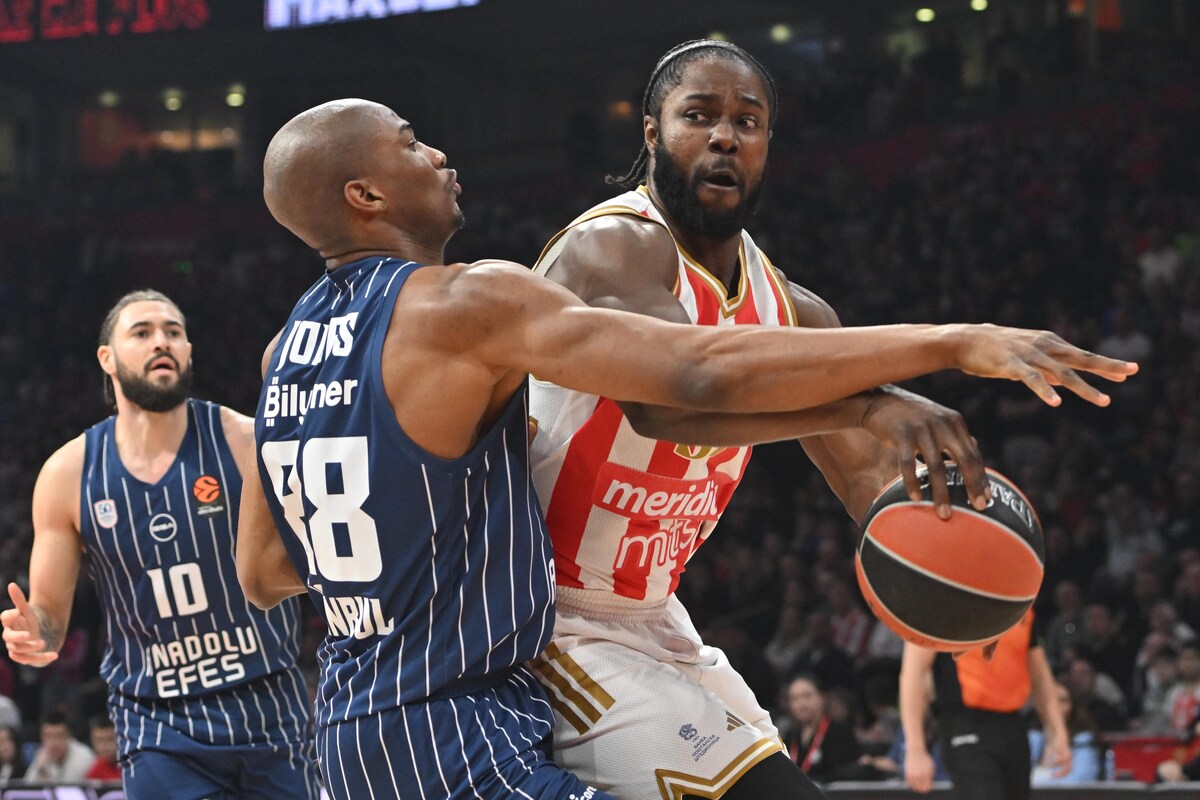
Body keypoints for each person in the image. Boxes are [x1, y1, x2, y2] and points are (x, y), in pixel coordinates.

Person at [237, 97, 1132, 800]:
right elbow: (690, 378)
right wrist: (948, 342)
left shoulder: (284, 355)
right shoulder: (469, 302)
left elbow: (267, 571)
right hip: (462, 715)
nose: (438, 152)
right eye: (409, 142)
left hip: (350, 721)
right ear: (365, 195)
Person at [525, 38, 1130, 799]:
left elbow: (869, 481)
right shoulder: (610, 246)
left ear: (768, 146)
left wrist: (962, 541)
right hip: (549, 619)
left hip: (654, 618)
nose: (725, 135)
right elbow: (671, 400)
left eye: (748, 121)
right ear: (652, 133)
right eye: (699, 115)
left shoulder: (795, 309)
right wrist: (938, 352)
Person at [1, 290, 318, 799]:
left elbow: (311, 561)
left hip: (268, 708)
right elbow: (50, 618)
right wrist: (35, 634)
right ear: (107, 357)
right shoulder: (68, 474)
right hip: (158, 723)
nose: (161, 342)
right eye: (142, 332)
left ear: (189, 350)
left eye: (173, 331)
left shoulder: (245, 442)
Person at [900, 609, 1071, 800]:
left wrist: (1057, 730)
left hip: (1013, 724)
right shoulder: (943, 597)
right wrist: (915, 748)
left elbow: (1039, 673)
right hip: (966, 722)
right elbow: (913, 673)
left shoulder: (1021, 598)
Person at [778, 675, 860, 784]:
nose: (801, 704)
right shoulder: (790, 735)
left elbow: (845, 773)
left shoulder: (839, 733)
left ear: (822, 697)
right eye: (794, 699)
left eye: (807, 696)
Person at [1029, 682, 1103, 783]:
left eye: (1062, 700)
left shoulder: (1083, 740)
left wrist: (1035, 783)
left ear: (1073, 706)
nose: (1056, 706)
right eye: (1051, 700)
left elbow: (1081, 780)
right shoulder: (1034, 739)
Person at [27, 711, 94, 783]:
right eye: (48, 736)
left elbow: (66, 790)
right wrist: (41, 768)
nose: (54, 742)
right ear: (42, 736)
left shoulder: (84, 756)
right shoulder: (42, 754)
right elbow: (26, 787)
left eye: (59, 736)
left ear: (68, 735)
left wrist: (46, 774)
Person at [85, 716, 121, 782]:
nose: (105, 746)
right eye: (99, 740)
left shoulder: (132, 764)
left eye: (110, 739)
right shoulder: (94, 768)